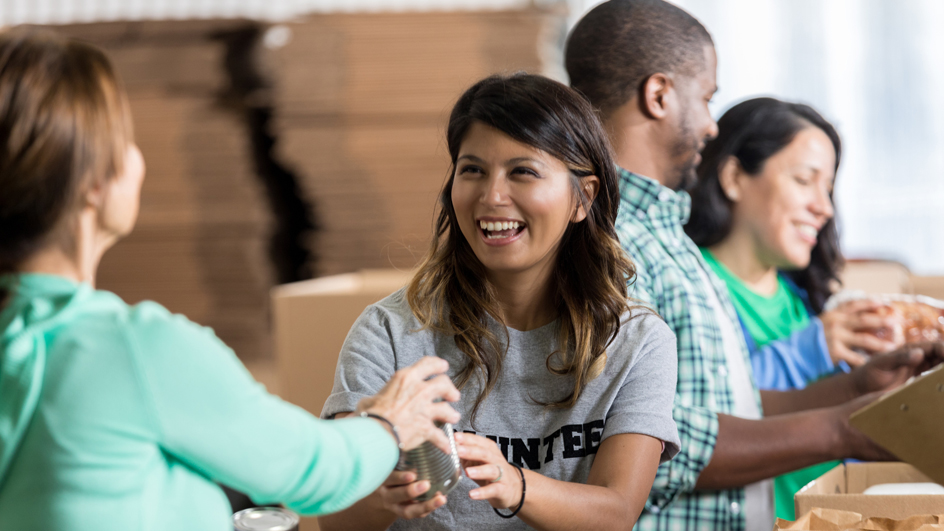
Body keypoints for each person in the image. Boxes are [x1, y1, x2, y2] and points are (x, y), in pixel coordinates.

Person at [0, 30, 462, 531]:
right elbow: (313, 470)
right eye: (126, 140)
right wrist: (389, 423)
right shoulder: (134, 349)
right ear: (93, 182)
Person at [565, 1, 944, 529]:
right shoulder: (607, 240)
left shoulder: (666, 239)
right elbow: (651, 441)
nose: (711, 126)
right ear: (659, 96)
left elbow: (722, 404)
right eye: (706, 99)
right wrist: (843, 428)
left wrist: (853, 390)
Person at [318, 73, 681, 530]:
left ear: (582, 198)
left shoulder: (637, 342)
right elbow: (334, 521)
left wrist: (516, 485)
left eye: (522, 172)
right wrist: (385, 496)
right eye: (472, 170)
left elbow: (616, 512)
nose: (491, 197)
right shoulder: (389, 333)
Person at [685, 97, 903, 520]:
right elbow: (704, 415)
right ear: (733, 177)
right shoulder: (693, 288)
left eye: (829, 188)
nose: (824, 207)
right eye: (805, 180)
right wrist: (809, 350)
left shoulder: (802, 301)